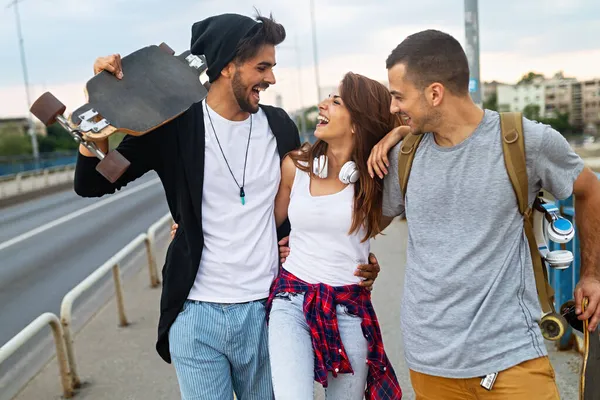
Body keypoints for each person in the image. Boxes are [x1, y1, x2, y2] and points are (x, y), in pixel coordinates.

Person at [74, 12, 381, 400]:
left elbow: (312, 196)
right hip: (195, 313)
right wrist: (103, 112)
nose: (271, 79)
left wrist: (353, 257)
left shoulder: (278, 125)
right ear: (227, 67)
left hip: (269, 310)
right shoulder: (173, 126)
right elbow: (92, 183)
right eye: (262, 67)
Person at [364, 29, 600, 399]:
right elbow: (371, 223)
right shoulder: (404, 156)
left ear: (435, 93)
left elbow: (589, 190)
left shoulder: (524, 140)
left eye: (398, 96)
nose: (394, 107)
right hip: (430, 362)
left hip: (512, 355)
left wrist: (592, 275)